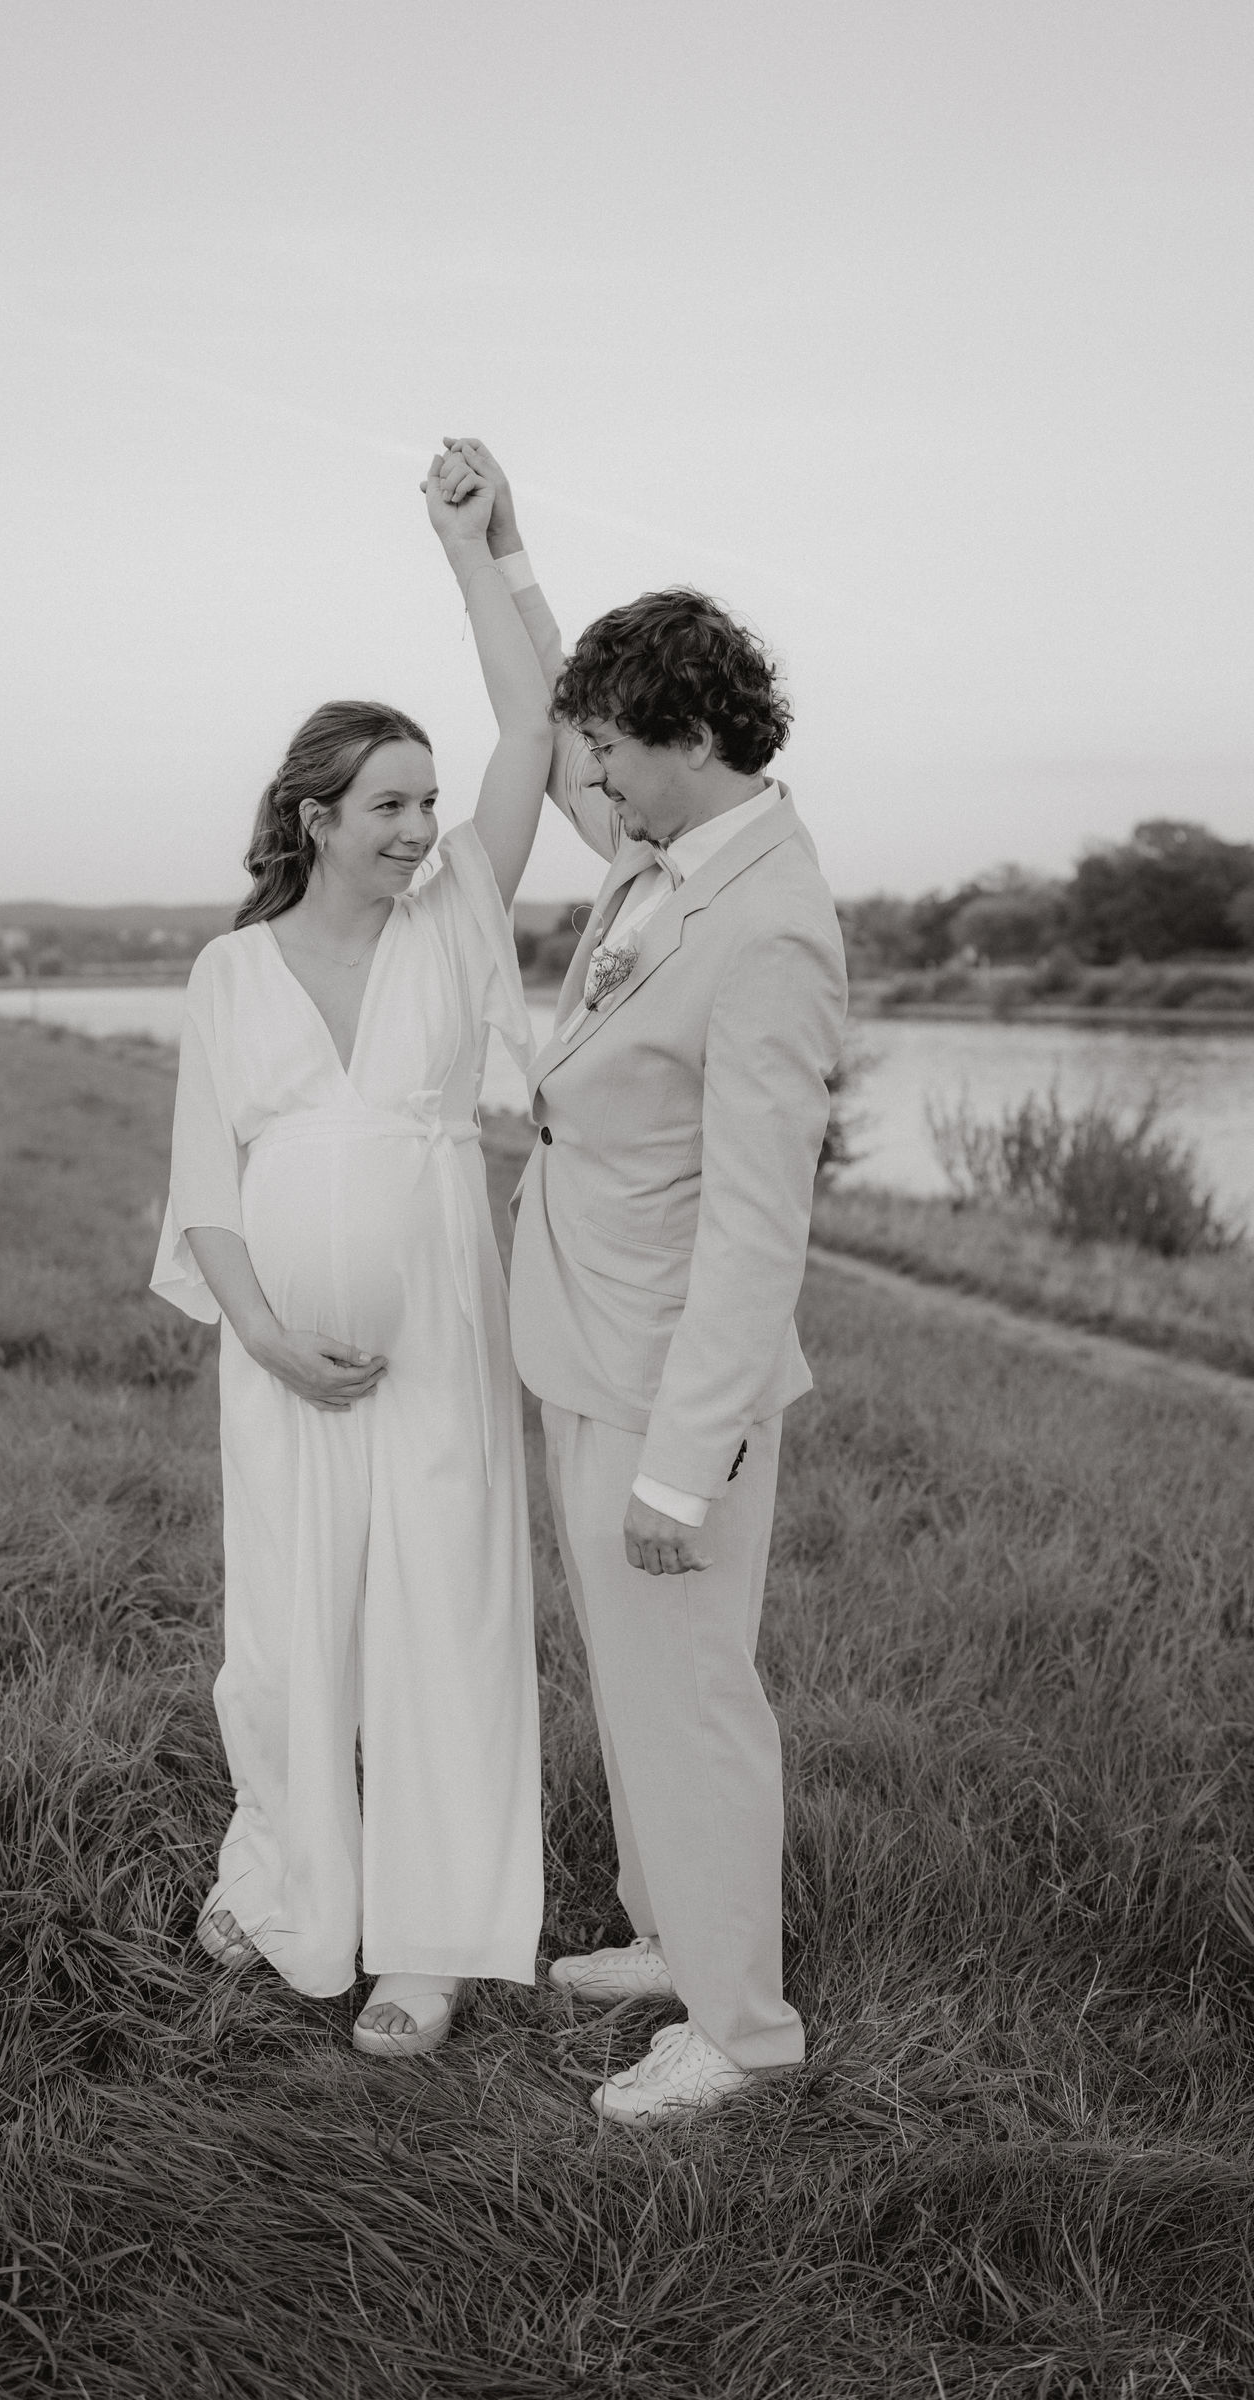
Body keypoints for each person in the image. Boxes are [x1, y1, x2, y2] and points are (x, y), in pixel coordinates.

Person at [434, 437, 848, 2122]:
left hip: (675, 1389)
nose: (584, 775)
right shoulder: (675, 845)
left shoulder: (769, 928)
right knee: (633, 1683)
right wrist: (496, 553)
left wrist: (685, 1465)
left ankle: (741, 2030)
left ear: (682, 740)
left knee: (692, 1698)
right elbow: (549, 705)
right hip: (587, 1344)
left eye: (608, 749)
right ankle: (671, 1936)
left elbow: (758, 1226)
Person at [150, 455, 551, 2058]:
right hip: (281, 1365)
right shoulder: (230, 972)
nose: (420, 827)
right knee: (289, 1630)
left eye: (428, 802)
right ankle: (293, 1874)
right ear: (315, 818)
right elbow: (206, 1183)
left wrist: (481, 550)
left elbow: (533, 726)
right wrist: (262, 1336)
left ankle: (433, 1941)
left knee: (444, 1612)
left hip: (441, 1331)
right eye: (389, 804)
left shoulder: (454, 918)